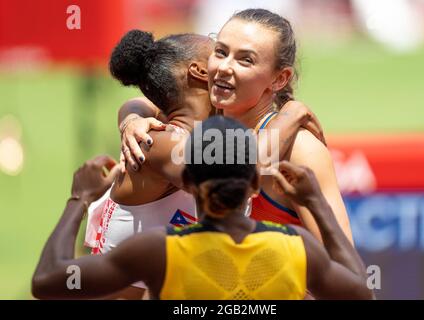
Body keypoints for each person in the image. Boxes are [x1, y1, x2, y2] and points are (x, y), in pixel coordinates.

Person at [85, 30, 324, 299]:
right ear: (200, 71)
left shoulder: (171, 128)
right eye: (218, 53)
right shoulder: (158, 143)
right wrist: (292, 113)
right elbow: (244, 170)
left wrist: (130, 117)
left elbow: (137, 102)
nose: (227, 65)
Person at [32, 116, 373, 300]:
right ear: (255, 183)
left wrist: (79, 199)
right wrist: (315, 204)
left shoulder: (159, 251)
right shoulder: (295, 248)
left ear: (188, 182)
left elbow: (47, 281)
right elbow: (361, 294)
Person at [120, 9, 353, 244]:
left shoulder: (299, 149)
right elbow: (141, 103)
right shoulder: (204, 120)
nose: (224, 67)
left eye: (246, 60)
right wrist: (131, 119)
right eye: (220, 52)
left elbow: (344, 264)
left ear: (279, 79)